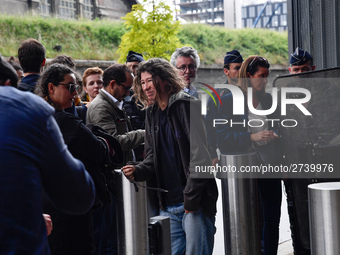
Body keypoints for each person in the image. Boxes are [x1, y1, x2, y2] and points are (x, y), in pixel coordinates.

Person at [0, 53, 95, 254]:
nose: (74, 93)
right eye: (70, 87)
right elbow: (79, 195)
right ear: (8, 84)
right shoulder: (31, 109)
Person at [123, 58, 218, 255]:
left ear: (166, 79)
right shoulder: (152, 112)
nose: (146, 86)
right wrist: (138, 169)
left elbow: (200, 157)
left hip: (194, 202)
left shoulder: (186, 105)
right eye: (142, 82)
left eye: (151, 80)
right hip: (167, 204)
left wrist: (191, 200)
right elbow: (151, 156)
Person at [35, 63, 122, 255]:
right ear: (51, 88)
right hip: (70, 206)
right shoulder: (66, 122)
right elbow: (99, 150)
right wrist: (101, 140)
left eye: (75, 88)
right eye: (70, 87)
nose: (75, 93)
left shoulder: (35, 117)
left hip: (44, 202)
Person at [216, 56, 282, 255]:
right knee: (251, 221)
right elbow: (222, 137)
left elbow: (280, 128)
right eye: (261, 76)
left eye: (267, 76)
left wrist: (276, 135)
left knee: (272, 220)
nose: (265, 81)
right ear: (247, 76)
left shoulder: (268, 100)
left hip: (270, 166)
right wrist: (252, 136)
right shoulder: (228, 101)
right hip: (245, 170)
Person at [86, 64, 145, 254]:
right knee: (110, 240)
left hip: (118, 180)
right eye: (126, 88)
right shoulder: (101, 107)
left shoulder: (113, 104)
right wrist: (146, 134)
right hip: (108, 184)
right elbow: (115, 143)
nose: (128, 93)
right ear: (113, 84)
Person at [206, 50, 243, 166]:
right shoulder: (217, 95)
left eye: (242, 68)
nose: (240, 72)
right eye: (237, 68)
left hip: (250, 149)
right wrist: (213, 154)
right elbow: (210, 125)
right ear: (226, 71)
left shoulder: (251, 90)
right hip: (228, 152)